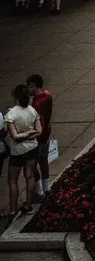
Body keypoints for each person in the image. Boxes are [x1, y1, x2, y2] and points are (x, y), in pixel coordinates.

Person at [4, 85, 41, 218]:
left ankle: (13, 210)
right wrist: (30, 133)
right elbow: (39, 131)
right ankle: (28, 204)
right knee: (29, 176)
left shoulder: (11, 114)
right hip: (32, 148)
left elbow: (15, 136)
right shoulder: (32, 111)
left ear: (15, 97)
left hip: (17, 151)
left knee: (12, 180)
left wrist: (23, 136)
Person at [27, 75, 53, 200]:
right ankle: (46, 187)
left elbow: (39, 122)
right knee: (44, 162)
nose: (28, 89)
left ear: (33, 85)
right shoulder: (47, 95)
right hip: (46, 135)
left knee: (33, 165)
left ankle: (39, 191)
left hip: (38, 138)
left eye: (29, 86)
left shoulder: (37, 104)